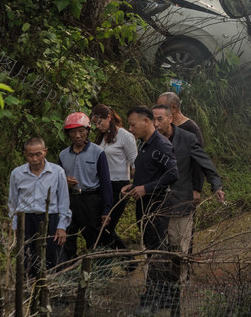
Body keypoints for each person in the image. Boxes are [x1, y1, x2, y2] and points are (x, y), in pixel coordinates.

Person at [153, 103, 224, 310]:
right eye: (153, 119)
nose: (156, 124)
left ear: (170, 118)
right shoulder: (149, 141)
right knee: (156, 250)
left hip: (180, 203)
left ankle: (178, 290)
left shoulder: (187, 139)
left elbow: (205, 164)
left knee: (179, 251)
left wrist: (216, 186)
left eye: (160, 119)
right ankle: (159, 292)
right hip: (155, 205)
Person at [123, 107, 179, 314]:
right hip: (144, 205)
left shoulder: (161, 145)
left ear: (147, 121)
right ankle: (164, 296)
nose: (130, 129)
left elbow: (173, 173)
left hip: (158, 206)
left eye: (133, 124)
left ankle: (156, 297)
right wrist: (133, 185)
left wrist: (145, 188)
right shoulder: (144, 145)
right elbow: (150, 172)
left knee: (156, 252)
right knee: (151, 249)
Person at [8, 137, 71, 277]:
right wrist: (14, 226)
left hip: (50, 219)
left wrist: (62, 226)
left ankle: (56, 293)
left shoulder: (57, 172)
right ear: (25, 154)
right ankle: (30, 291)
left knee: (53, 258)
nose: (35, 159)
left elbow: (64, 202)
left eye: (38, 154)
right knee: (27, 257)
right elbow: (12, 202)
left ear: (45, 152)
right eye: (31, 155)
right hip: (26, 220)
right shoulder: (17, 174)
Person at [59, 112, 112, 259]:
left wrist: (107, 209)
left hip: (91, 200)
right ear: (68, 134)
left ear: (87, 131)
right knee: (68, 237)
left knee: (94, 237)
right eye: (73, 132)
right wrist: (65, 181)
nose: (77, 135)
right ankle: (67, 271)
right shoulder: (63, 155)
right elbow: (58, 180)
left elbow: (105, 182)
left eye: (81, 131)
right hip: (70, 200)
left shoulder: (98, 152)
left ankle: (100, 271)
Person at [90, 104, 138, 250]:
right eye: (95, 124)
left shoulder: (124, 136)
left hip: (119, 186)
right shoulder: (101, 138)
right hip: (102, 185)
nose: (98, 126)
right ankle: (120, 261)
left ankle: (128, 260)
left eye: (100, 122)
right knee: (101, 226)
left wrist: (135, 185)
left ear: (109, 117)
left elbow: (135, 163)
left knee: (108, 227)